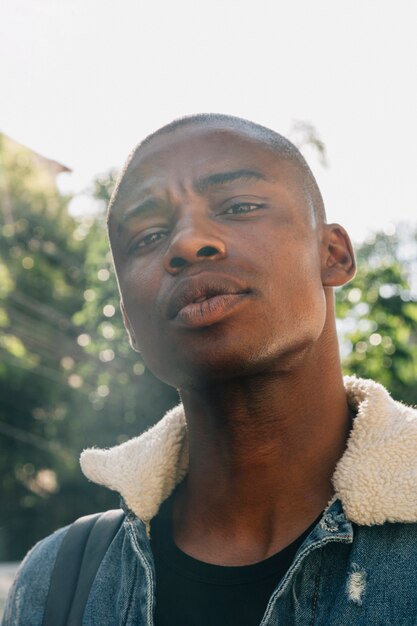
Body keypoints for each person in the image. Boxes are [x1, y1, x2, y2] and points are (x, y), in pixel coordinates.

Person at [3, 114, 417, 625]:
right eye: (148, 236)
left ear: (332, 254)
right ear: (129, 317)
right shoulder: (57, 584)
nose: (186, 243)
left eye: (239, 206)